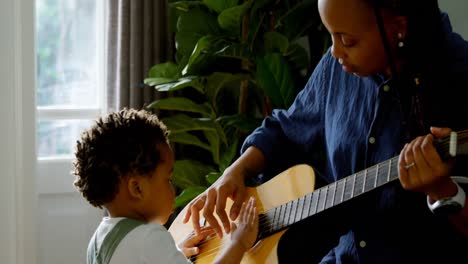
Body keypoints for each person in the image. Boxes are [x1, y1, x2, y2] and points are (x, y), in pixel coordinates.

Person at [183, 0, 468, 263]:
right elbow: (286, 129)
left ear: (399, 27)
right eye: (331, 35)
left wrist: (442, 191)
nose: (334, 51)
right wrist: (235, 171)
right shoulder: (338, 64)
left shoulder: (458, 75)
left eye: (347, 40)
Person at [72, 108, 259, 264]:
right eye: (167, 179)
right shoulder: (149, 238)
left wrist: (175, 253)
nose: (173, 189)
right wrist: (238, 243)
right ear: (137, 189)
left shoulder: (98, 242)